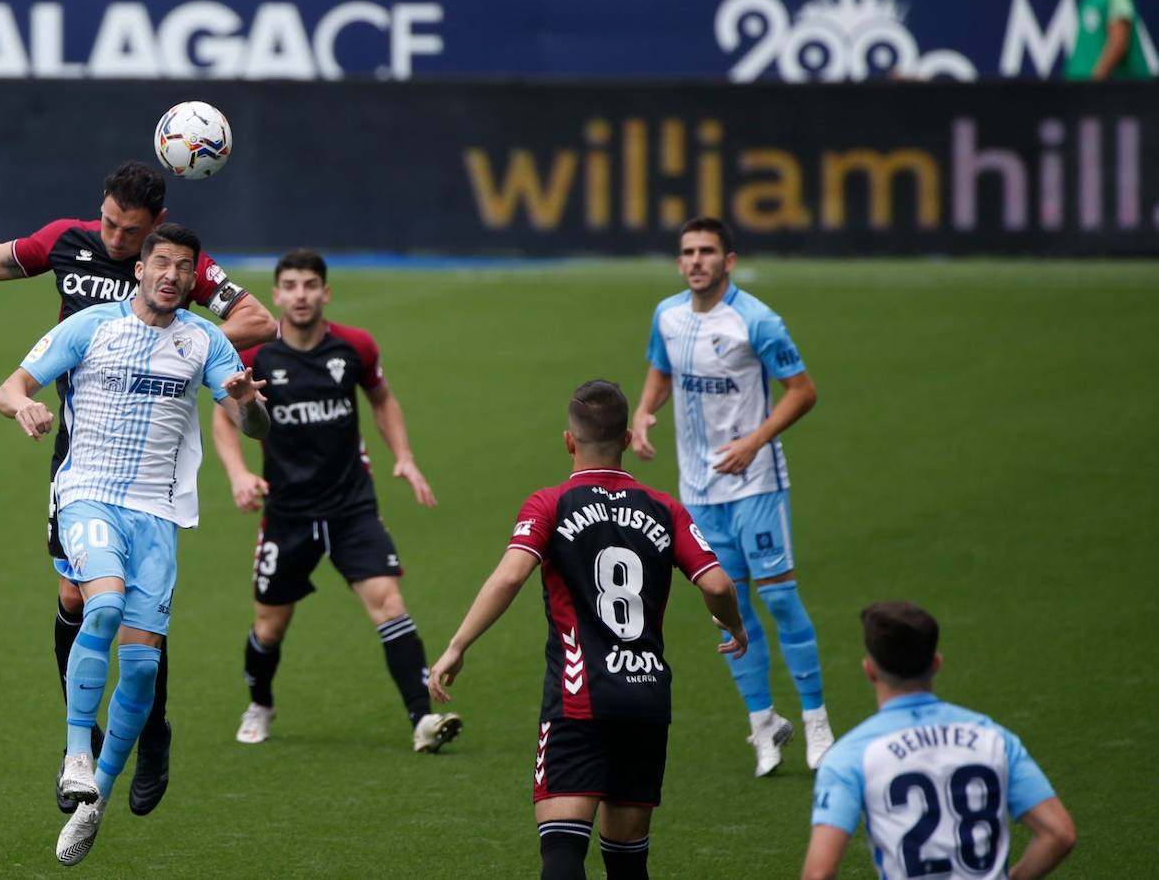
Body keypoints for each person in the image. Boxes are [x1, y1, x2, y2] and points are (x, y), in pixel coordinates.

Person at [0, 125, 276, 816]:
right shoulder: (69, 241)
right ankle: (90, 735)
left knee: (134, 614)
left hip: (153, 456)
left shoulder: (175, 266)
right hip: (80, 450)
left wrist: (176, 338)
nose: (114, 237)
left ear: (157, 227)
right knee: (77, 601)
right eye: (108, 221)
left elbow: (258, 319)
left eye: (130, 230)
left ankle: (152, 735)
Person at [0, 223, 270, 866]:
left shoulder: (204, 342)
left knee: (143, 665)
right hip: (88, 494)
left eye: (183, 267)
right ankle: (75, 756)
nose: (172, 275)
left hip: (157, 514)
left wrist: (246, 402)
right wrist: (23, 409)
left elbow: (252, 426)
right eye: (162, 263)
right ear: (141, 269)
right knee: (104, 605)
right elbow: (10, 386)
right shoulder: (91, 326)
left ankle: (97, 801)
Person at [429, 379, 747, 880]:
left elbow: (511, 574)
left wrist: (457, 645)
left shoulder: (549, 505)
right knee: (627, 862)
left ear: (569, 441)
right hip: (646, 698)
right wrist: (733, 624)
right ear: (625, 440)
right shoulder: (666, 509)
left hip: (578, 699)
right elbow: (718, 585)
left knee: (561, 853)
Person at [211, 249, 458, 752]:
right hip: (288, 514)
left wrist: (405, 456)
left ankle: (421, 720)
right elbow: (224, 417)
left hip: (352, 509)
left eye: (310, 285)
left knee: (389, 604)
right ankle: (260, 703)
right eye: (291, 286)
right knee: (269, 626)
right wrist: (238, 474)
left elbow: (382, 398)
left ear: (326, 293)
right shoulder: (259, 357)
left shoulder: (355, 349)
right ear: (276, 295)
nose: (300, 295)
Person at [631, 216, 830, 778]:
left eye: (707, 251)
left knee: (782, 600)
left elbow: (803, 391)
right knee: (727, 609)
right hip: (697, 493)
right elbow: (661, 371)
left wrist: (755, 440)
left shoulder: (757, 321)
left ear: (729, 260)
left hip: (756, 485)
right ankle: (764, 724)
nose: (696, 260)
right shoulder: (667, 316)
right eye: (688, 252)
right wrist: (646, 413)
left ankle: (817, 721)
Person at [802, 601, 1076, 880]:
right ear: (936, 664)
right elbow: (1059, 833)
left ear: (869, 670)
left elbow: (819, 874)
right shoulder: (993, 737)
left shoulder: (851, 755)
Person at [1065, 0, 1155, 81]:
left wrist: (1093, 82)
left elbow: (1119, 43)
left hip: (1109, 91)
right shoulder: (1087, 0)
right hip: (1080, 89)